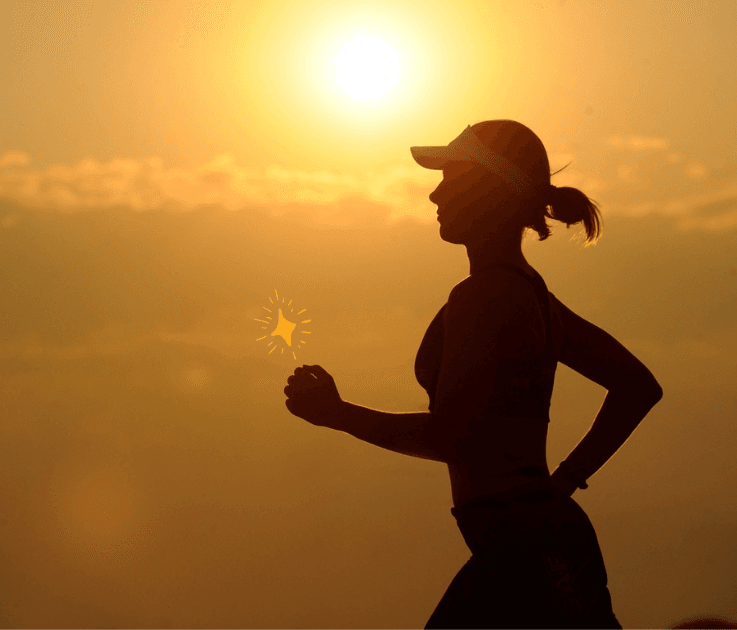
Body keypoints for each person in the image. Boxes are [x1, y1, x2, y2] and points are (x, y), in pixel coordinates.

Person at [283, 120, 663, 629]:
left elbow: (453, 437)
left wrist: (339, 414)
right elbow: (638, 387)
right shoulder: (529, 295)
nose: (434, 193)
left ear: (492, 190)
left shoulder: (487, 296)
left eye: (451, 177)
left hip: (528, 551)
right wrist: (566, 479)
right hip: (530, 542)